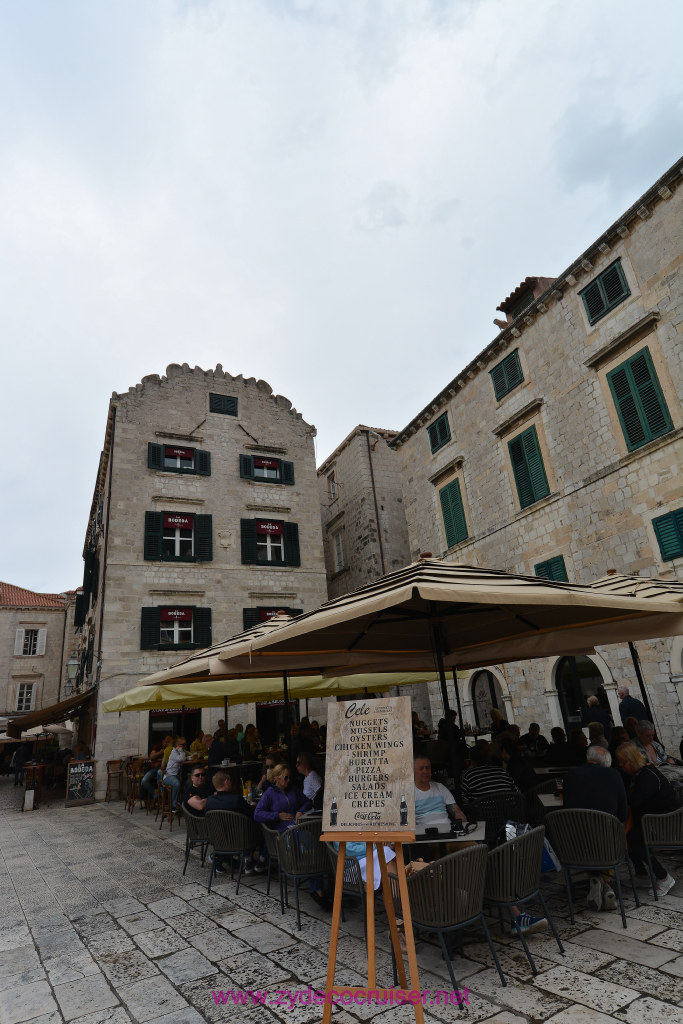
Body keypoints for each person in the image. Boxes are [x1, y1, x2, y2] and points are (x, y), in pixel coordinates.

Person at [563, 745, 628, 911]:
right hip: (607, 846)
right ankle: (604, 883)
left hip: (575, 845)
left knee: (589, 836)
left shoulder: (570, 776)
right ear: (605, 762)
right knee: (609, 836)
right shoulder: (613, 775)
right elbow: (622, 815)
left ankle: (598, 882)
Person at [254, 764, 328, 907]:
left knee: (315, 850)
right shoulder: (269, 793)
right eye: (285, 778)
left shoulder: (293, 790)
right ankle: (318, 890)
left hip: (297, 828)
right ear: (277, 778)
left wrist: (300, 811)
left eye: (289, 777)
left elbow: (307, 801)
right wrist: (277, 815)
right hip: (282, 833)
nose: (288, 780)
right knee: (303, 852)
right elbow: (257, 814)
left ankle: (318, 888)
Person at [615, 742, 677, 896]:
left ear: (632, 760)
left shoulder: (647, 775)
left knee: (633, 837)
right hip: (652, 819)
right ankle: (642, 875)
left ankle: (663, 877)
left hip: (666, 822)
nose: (620, 766)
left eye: (623, 762)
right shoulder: (637, 774)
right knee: (628, 833)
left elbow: (634, 801)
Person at [205, 770, 264, 875]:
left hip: (218, 841)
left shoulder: (209, 801)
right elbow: (253, 815)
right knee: (261, 829)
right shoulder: (236, 799)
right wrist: (254, 805)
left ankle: (241, 859)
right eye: (230, 780)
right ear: (226, 781)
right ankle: (259, 861)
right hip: (240, 841)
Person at [162, 736, 186, 810]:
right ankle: (173, 805)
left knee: (187, 783)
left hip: (175, 776)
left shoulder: (178, 752)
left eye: (185, 744)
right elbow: (181, 759)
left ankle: (183, 803)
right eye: (183, 745)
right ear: (178, 745)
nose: (185, 746)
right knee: (177, 784)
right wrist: (181, 750)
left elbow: (184, 757)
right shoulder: (174, 752)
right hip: (168, 776)